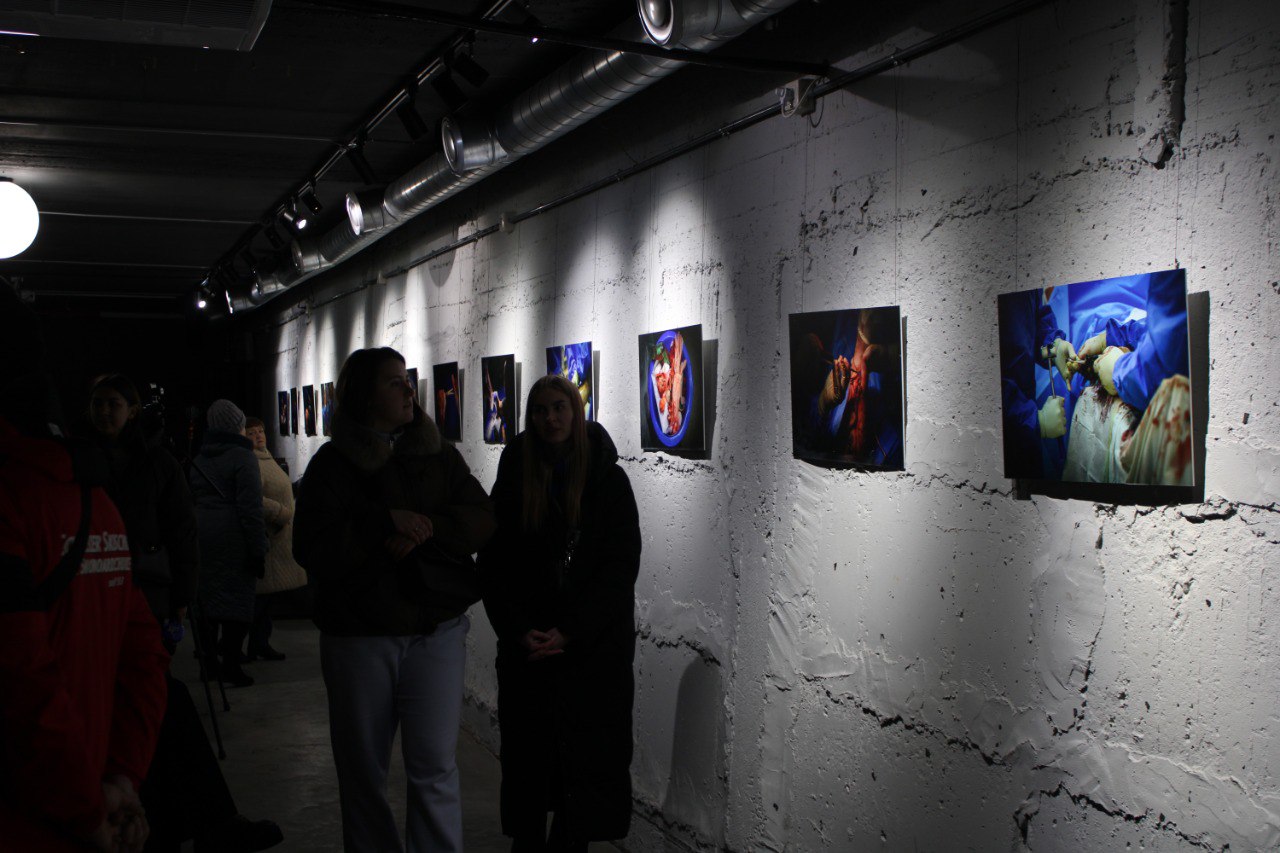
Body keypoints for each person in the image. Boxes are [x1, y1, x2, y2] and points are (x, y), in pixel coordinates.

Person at [293, 347, 496, 852]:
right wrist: (383, 525)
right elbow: (312, 547)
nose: (408, 390)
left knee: (435, 765)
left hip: (434, 628)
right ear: (365, 396)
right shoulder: (333, 466)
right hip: (361, 635)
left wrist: (425, 528)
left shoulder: (436, 455)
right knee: (363, 772)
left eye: (406, 380)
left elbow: (481, 518)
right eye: (393, 382)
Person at [0, 282, 168, 852]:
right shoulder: (91, 497)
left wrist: (87, 803)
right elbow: (143, 656)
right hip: (84, 801)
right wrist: (119, 779)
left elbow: (21, 679)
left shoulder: (15, 498)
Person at [85, 377, 283, 852]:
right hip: (99, 597)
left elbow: (181, 529)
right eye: (98, 404)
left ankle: (179, 820)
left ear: (133, 410)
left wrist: (181, 594)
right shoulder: (83, 461)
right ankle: (185, 821)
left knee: (155, 697)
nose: (105, 412)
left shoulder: (159, 462)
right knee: (150, 700)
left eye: (114, 403)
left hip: (143, 594)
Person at [479, 375, 642, 851]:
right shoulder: (515, 476)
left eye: (558, 408)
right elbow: (494, 564)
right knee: (529, 771)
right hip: (530, 651)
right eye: (539, 410)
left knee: (584, 777)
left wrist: (571, 631)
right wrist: (517, 630)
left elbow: (619, 568)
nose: (549, 418)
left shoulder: (607, 480)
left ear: (575, 412)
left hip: (591, 655)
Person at [189, 400, 268, 688]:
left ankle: (209, 665)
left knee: (208, 605)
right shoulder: (243, 457)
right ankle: (232, 665)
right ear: (238, 426)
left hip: (203, 535)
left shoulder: (200, 457)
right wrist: (258, 550)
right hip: (234, 536)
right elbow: (251, 508)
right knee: (238, 605)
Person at [244, 416, 307, 661]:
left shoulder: (266, 458)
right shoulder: (251, 462)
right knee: (261, 598)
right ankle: (249, 645)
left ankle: (260, 643)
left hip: (278, 536)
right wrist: (281, 513)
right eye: (251, 433)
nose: (258, 436)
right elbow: (253, 498)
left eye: (260, 431)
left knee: (267, 599)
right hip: (269, 535)